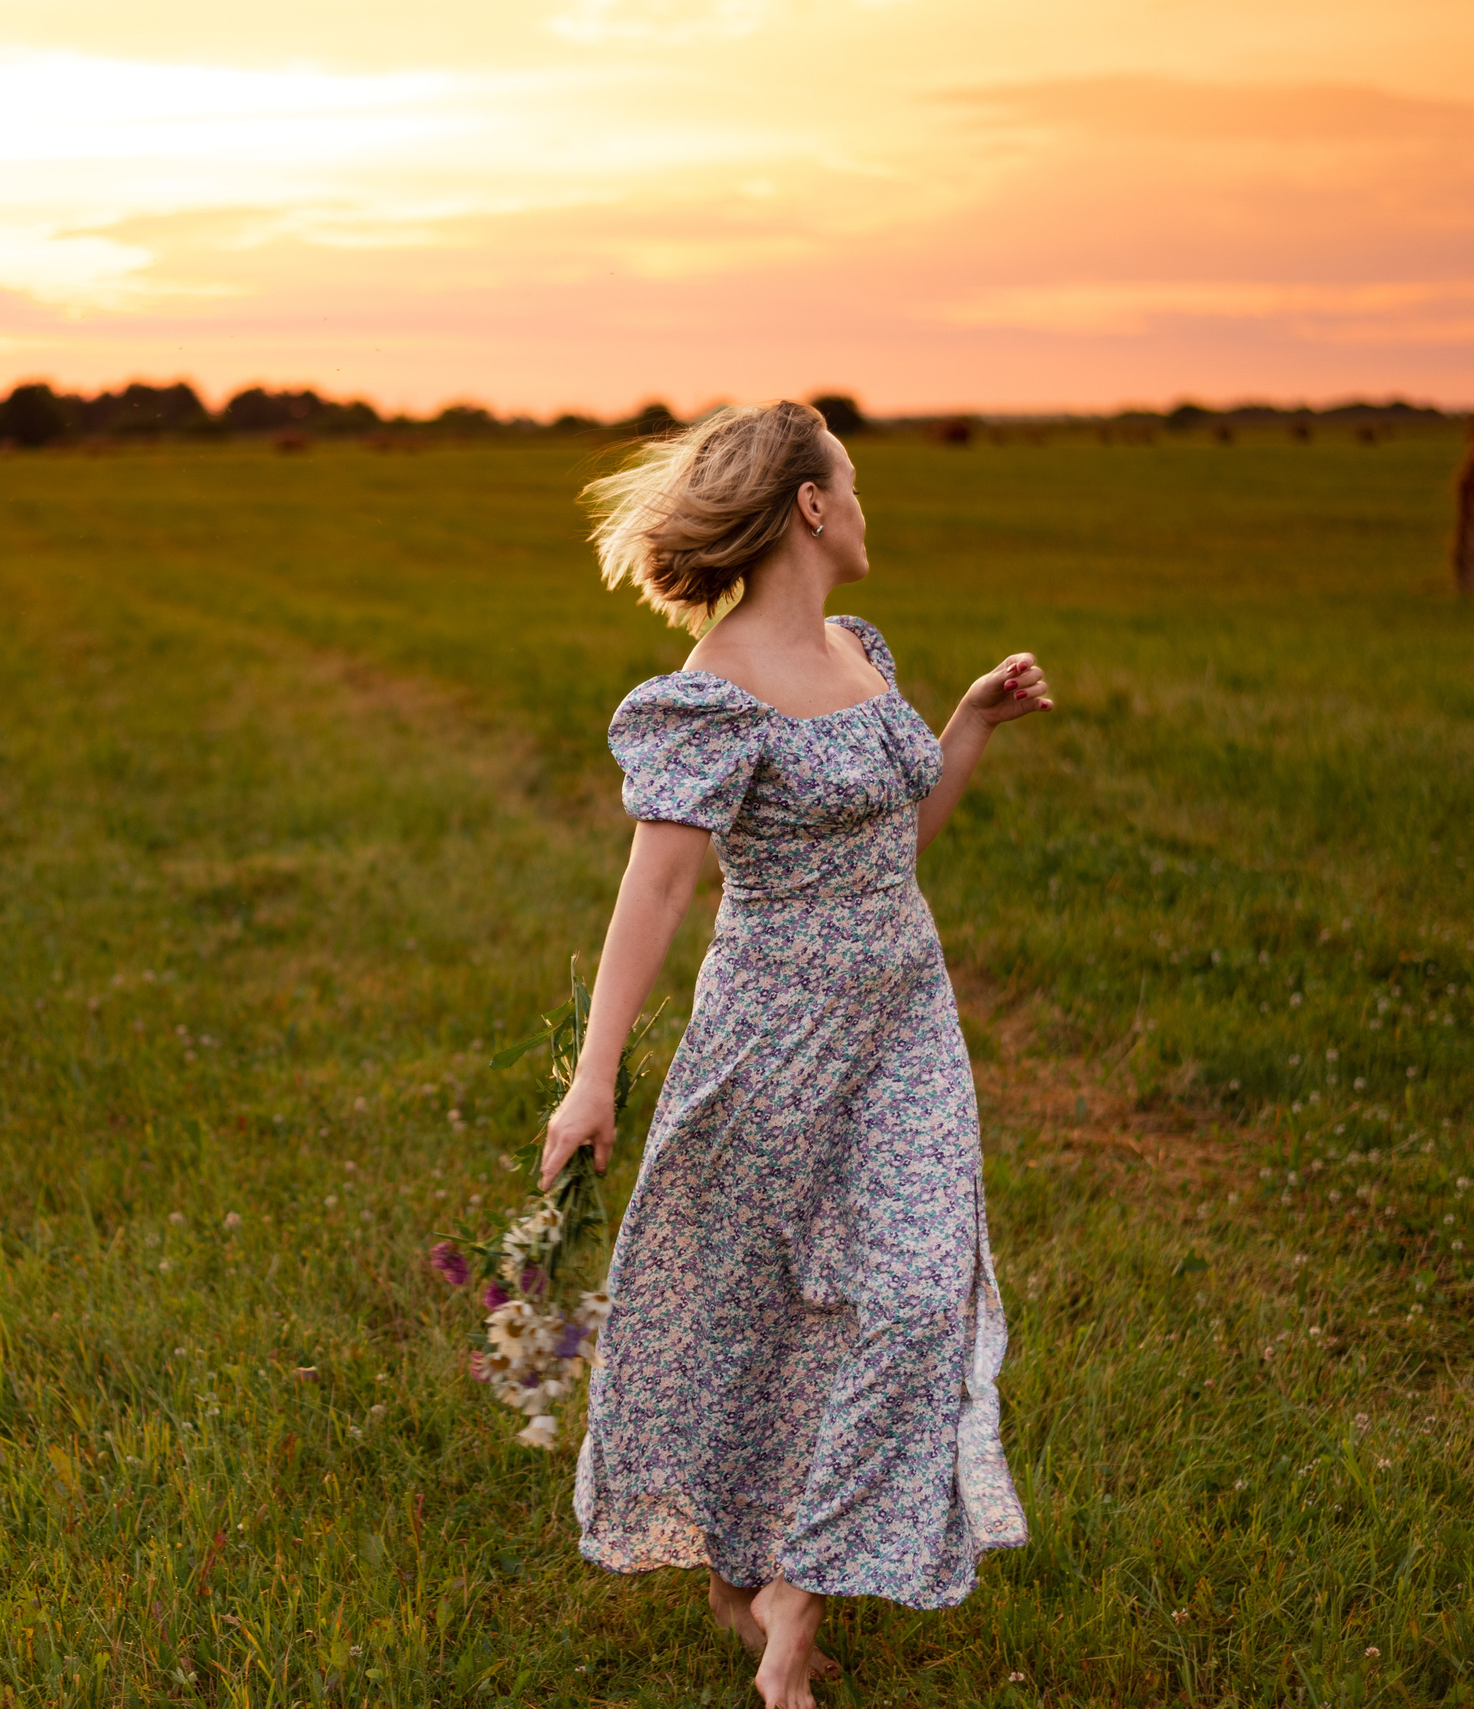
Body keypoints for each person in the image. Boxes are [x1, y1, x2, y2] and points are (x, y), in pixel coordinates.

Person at [540, 400, 1050, 1709]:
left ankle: (789, 1588)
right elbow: (652, 895)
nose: (869, 505)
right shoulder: (708, 696)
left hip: (906, 1032)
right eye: (856, 484)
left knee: (919, 1295)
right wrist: (595, 1076)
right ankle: (772, 1601)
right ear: (810, 506)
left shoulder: (858, 650)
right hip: (775, 1042)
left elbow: (891, 840)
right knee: (768, 1322)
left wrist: (972, 726)